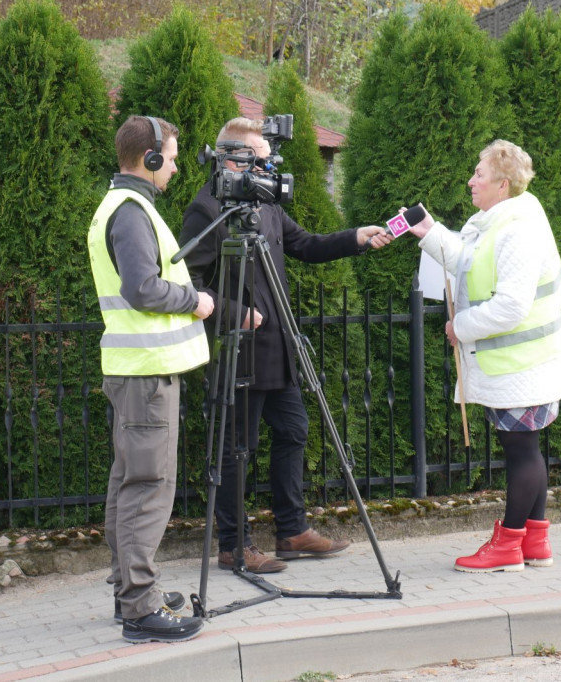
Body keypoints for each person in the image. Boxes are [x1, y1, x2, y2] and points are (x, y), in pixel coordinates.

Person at [181, 116, 393, 574]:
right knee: (236, 450)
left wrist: (356, 237)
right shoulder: (206, 208)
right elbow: (189, 283)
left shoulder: (266, 202)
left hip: (279, 348)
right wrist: (234, 312)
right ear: (232, 160)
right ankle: (233, 546)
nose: (270, 169)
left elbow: (306, 245)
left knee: (294, 431)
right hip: (240, 349)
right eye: (260, 160)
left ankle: (292, 532)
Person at [407, 140, 561, 573]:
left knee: (522, 453)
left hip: (521, 366)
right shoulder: (500, 220)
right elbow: (471, 261)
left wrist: (459, 327)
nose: (470, 180)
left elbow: (511, 307)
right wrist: (430, 233)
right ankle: (534, 542)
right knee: (527, 450)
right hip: (521, 364)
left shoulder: (516, 230)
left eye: (479, 174)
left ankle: (507, 546)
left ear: (502, 185)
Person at [87, 115, 214, 642]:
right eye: (173, 158)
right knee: (147, 488)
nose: (177, 167)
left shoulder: (122, 206)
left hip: (135, 371)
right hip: (146, 374)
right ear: (151, 158)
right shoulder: (131, 212)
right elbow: (142, 288)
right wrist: (195, 300)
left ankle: (130, 593)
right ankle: (140, 609)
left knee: (129, 485)